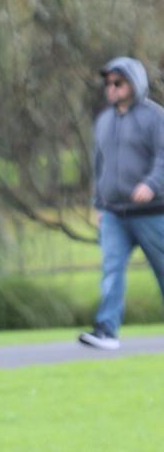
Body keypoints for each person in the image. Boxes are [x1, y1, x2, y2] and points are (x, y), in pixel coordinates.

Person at [79, 56, 164, 351]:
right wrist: (99, 204)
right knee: (111, 268)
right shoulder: (104, 120)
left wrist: (151, 185)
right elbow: (99, 167)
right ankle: (106, 331)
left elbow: (163, 158)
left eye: (118, 82)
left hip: (152, 214)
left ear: (134, 83)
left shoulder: (155, 117)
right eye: (108, 83)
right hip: (114, 213)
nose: (111, 88)